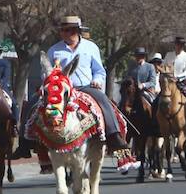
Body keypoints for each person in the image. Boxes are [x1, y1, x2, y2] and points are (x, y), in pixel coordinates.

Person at [46, 15, 127, 151]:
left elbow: (99, 71)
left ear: (78, 31)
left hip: (85, 87)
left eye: (70, 30)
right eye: (64, 30)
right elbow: (47, 72)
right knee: (35, 103)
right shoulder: (54, 50)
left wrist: (97, 80)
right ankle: (28, 143)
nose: (67, 33)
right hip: (61, 90)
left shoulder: (91, 47)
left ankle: (114, 136)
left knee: (103, 100)